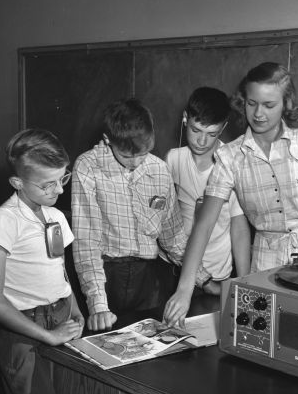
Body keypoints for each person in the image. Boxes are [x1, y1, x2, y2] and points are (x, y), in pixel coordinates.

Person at [164, 62, 298, 326]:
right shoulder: (228, 157)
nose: (258, 113)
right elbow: (203, 225)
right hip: (264, 269)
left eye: (269, 105)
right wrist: (184, 289)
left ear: (286, 104)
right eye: (251, 103)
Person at [72, 98, 210, 332]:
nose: (136, 162)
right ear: (108, 140)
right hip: (105, 276)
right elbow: (87, 243)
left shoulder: (159, 169)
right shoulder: (88, 167)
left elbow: (173, 237)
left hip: (148, 279)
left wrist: (204, 279)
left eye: (143, 153)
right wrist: (98, 306)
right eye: (127, 156)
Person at [0, 128, 84, 394]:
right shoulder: (4, 220)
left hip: (62, 319)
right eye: (48, 184)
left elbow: (60, 270)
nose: (60, 191)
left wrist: (76, 309)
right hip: (24, 334)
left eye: (63, 179)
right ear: (17, 182)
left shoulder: (56, 217)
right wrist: (47, 336)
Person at [165, 86, 251, 300]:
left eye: (211, 133)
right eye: (196, 130)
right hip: (173, 273)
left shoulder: (232, 162)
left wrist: (246, 283)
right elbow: (164, 222)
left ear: (223, 128)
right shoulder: (173, 159)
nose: (201, 141)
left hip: (217, 277)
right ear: (185, 119)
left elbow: (239, 228)